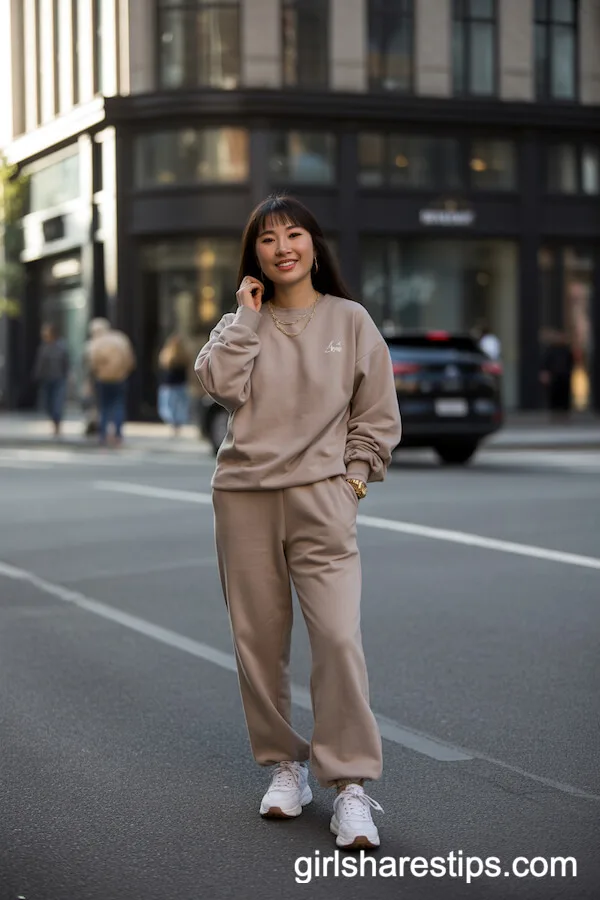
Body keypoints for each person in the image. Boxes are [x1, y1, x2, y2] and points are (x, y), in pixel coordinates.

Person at [195, 194, 402, 850]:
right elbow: (219, 385)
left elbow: (376, 413)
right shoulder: (241, 323)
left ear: (314, 245)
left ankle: (351, 786)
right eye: (267, 239)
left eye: (293, 235)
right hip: (244, 497)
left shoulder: (350, 319)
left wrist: (354, 480)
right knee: (257, 642)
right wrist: (245, 316)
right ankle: (285, 767)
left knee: (338, 638)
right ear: (253, 254)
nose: (282, 247)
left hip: (322, 499)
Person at [87, 317, 136, 447]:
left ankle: (103, 435)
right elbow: (130, 359)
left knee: (104, 407)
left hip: (102, 378)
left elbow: (92, 363)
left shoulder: (96, 343)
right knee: (118, 405)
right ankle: (118, 434)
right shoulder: (120, 339)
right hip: (120, 377)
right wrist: (124, 372)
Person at [33, 322, 70, 436]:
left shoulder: (62, 346)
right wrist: (37, 375)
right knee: (47, 403)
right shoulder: (43, 347)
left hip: (59, 379)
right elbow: (40, 363)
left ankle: (57, 424)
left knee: (57, 402)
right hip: (46, 379)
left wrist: (67, 376)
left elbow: (66, 363)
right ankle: (54, 421)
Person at [157, 334, 190, 435]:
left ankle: (173, 423)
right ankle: (178, 424)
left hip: (169, 385)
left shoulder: (167, 355)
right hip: (181, 384)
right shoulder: (184, 355)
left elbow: (163, 367)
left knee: (169, 406)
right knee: (180, 405)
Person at [540, 330, 574, 420]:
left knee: (564, 396)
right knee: (554, 396)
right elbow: (545, 363)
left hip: (564, 377)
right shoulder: (550, 350)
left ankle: (564, 415)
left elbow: (571, 363)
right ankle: (554, 415)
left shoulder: (566, 350)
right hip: (554, 377)